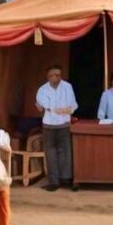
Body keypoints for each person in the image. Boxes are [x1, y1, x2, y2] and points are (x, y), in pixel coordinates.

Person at [35, 64, 78, 192]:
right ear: (47, 77)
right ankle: (54, 182)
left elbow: (73, 104)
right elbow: (45, 105)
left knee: (65, 151)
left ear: (61, 75)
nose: (55, 77)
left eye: (57, 75)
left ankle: (66, 179)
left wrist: (67, 109)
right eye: (51, 75)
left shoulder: (67, 86)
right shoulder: (42, 89)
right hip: (49, 124)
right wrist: (60, 109)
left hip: (64, 123)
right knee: (51, 153)